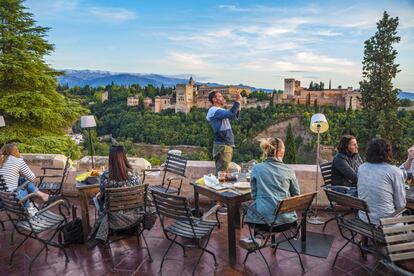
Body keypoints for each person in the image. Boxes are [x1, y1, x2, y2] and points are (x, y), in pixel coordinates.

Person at [88, 144, 143, 244]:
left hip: (114, 216)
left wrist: (99, 196)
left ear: (111, 159)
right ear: (124, 156)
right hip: (135, 213)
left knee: (96, 199)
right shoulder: (135, 173)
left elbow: (103, 193)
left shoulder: (106, 176)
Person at [244, 137, 300, 228]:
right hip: (286, 222)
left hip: (262, 222)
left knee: (247, 206)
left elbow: (254, 196)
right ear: (281, 152)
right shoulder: (289, 170)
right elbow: (296, 195)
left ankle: (257, 238)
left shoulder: (257, 168)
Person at [357, 138, 406, 225]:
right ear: (388, 152)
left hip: (364, 218)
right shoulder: (394, 171)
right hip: (386, 223)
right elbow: (401, 205)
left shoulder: (362, 168)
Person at [0, 143, 49, 209]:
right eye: (18, 150)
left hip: (2, 199)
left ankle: (43, 196)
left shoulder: (1, 161)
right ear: (15, 151)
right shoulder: (18, 161)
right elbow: (32, 178)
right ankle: (28, 212)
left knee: (21, 179)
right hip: (12, 199)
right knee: (25, 184)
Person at [206, 90, 241, 173]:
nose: (223, 98)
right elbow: (231, 114)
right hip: (223, 146)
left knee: (222, 172)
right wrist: (237, 101)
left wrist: (239, 103)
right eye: (220, 96)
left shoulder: (218, 110)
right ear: (214, 100)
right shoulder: (214, 110)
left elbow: (234, 117)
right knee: (222, 174)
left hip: (224, 145)